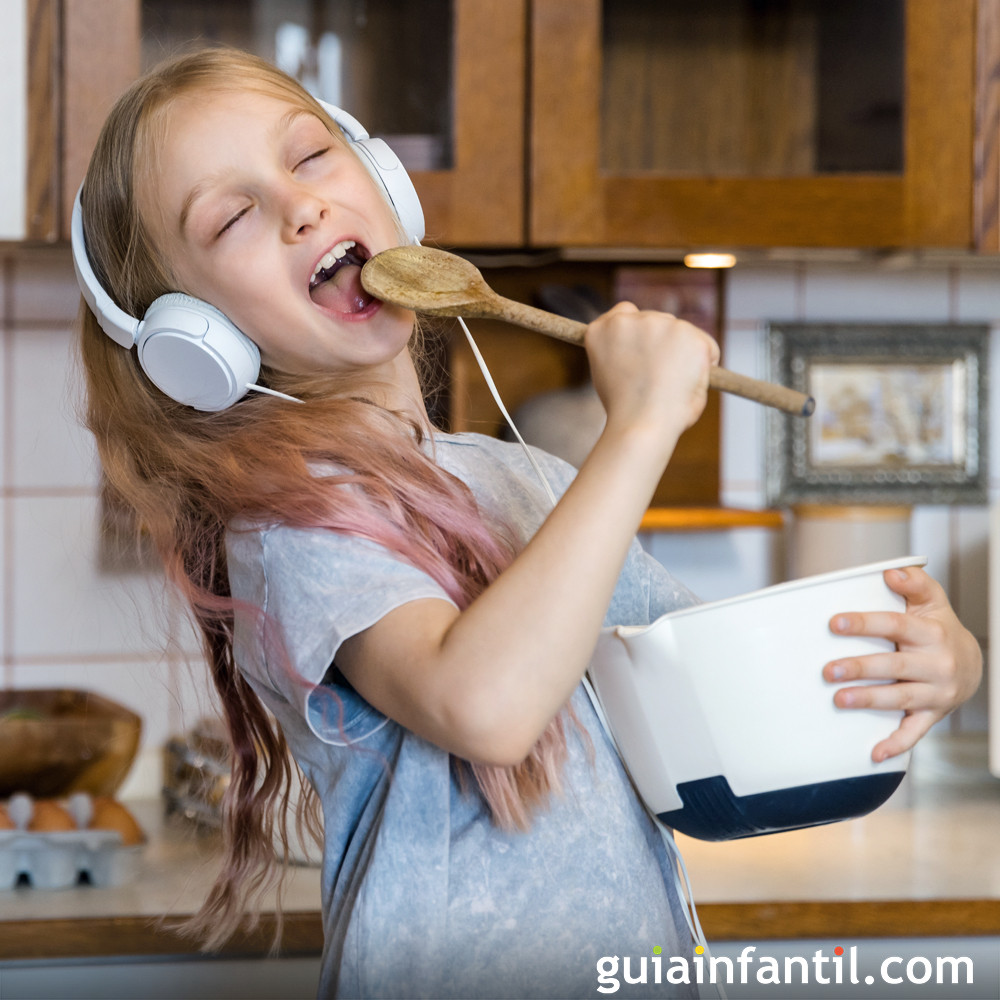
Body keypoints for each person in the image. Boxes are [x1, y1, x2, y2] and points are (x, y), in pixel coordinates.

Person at [73, 48, 981, 999]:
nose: (299, 206)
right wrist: (635, 430)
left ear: (384, 181)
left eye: (310, 159)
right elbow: (485, 706)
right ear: (194, 339)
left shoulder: (527, 484)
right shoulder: (294, 529)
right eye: (231, 217)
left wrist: (929, 662)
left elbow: (712, 690)